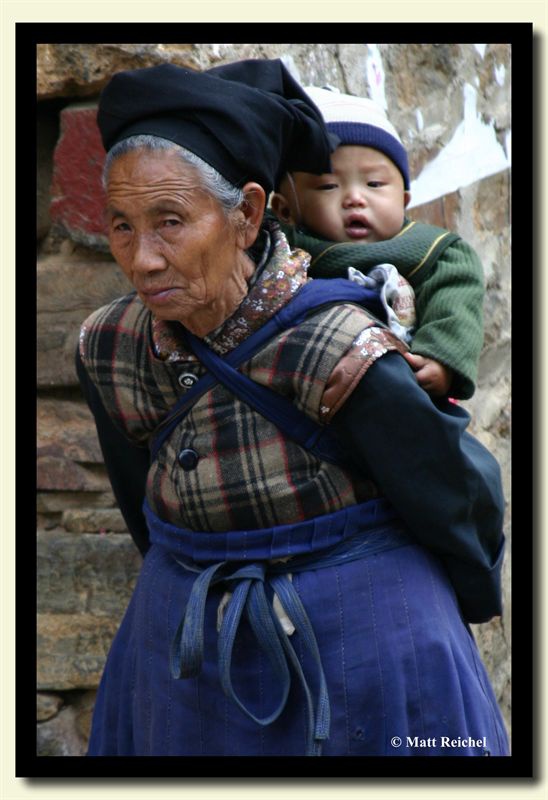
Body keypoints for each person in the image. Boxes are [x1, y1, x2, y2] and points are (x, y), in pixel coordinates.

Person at [76, 58, 509, 757]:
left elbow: (456, 498)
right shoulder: (111, 345)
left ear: (246, 214)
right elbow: (145, 513)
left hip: (365, 654)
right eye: (121, 227)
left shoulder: (340, 344)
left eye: (170, 222)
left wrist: (457, 609)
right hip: (187, 661)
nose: (143, 259)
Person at [270, 87, 485, 399]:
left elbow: (456, 305)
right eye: (329, 185)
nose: (356, 198)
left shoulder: (432, 251)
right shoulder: (281, 245)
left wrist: (440, 358)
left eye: (374, 184)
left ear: (404, 200)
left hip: (402, 388)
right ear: (285, 209)